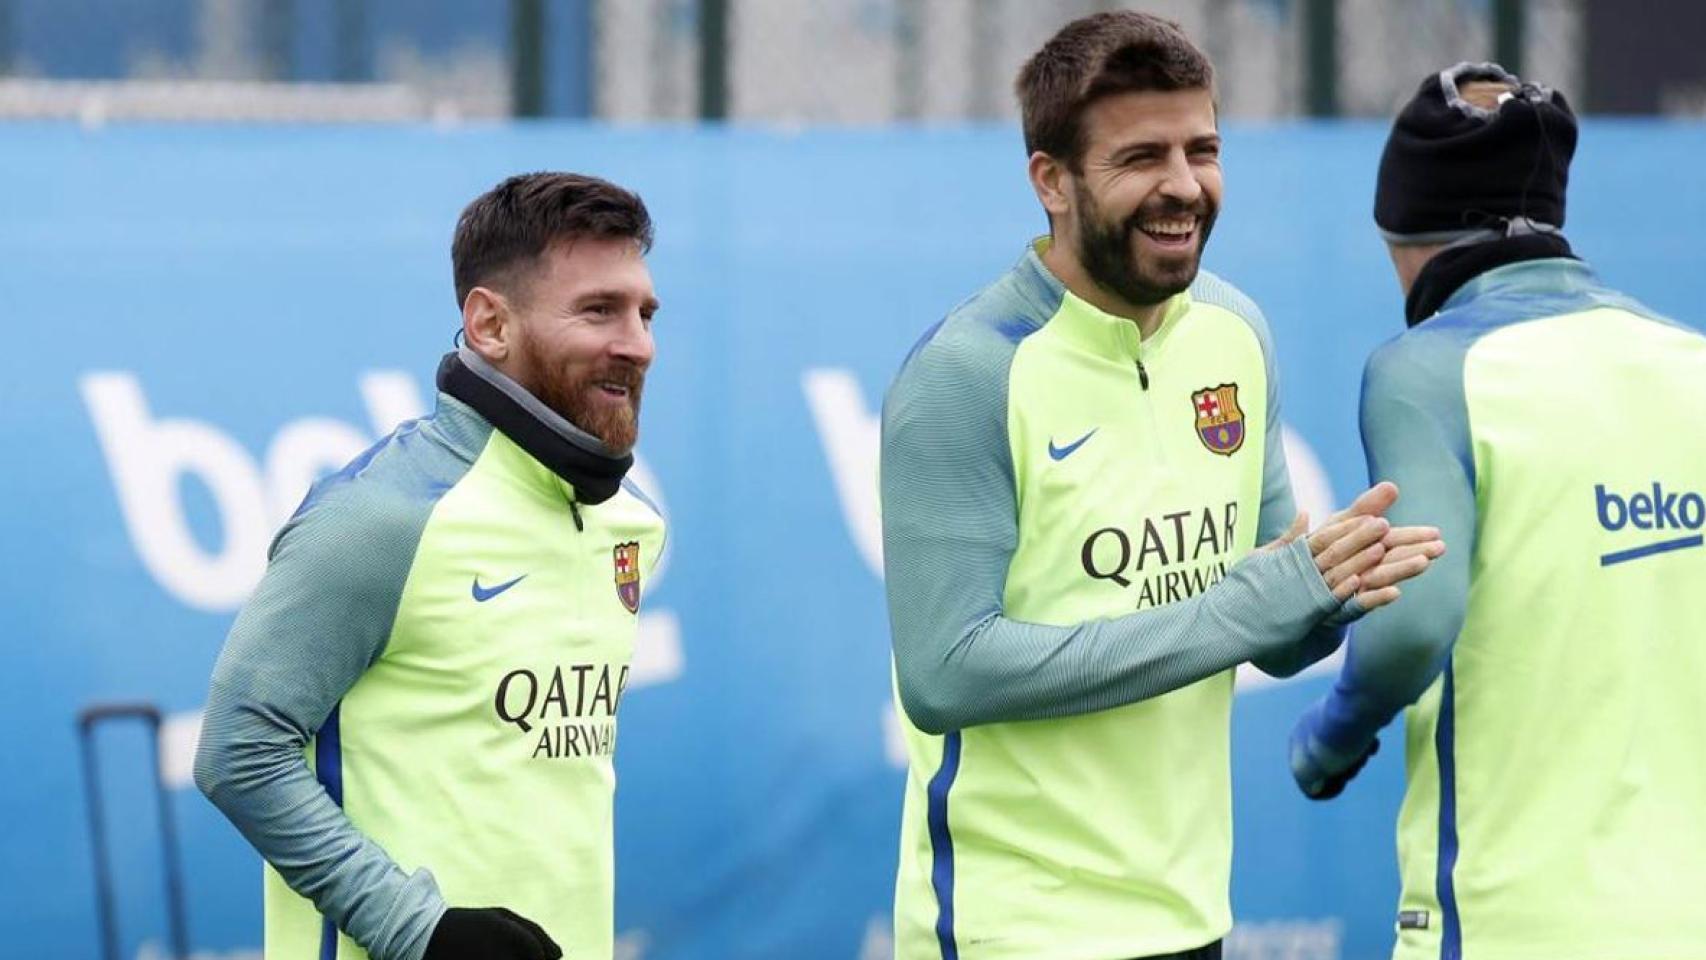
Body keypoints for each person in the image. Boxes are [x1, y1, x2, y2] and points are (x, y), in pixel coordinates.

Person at [880, 12, 1443, 960]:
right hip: (1011, 926)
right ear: (1050, 181)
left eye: (1203, 148)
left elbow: (1262, 630)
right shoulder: (969, 373)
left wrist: (1326, 589)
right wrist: (1239, 612)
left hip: (1191, 914)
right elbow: (945, 673)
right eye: (1141, 156)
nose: (1183, 185)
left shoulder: (1235, 332)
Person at [1288, 63, 1706, 959]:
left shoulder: (1426, 370)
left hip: (1509, 922)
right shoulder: (1692, 362)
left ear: (1407, 232)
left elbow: (1413, 624)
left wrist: (1330, 738)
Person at [194, 172, 667, 960]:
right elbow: (239, 749)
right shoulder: (381, 519)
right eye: (599, 310)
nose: (638, 343)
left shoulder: (629, 523)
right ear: (489, 324)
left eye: (645, 313)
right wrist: (419, 930)